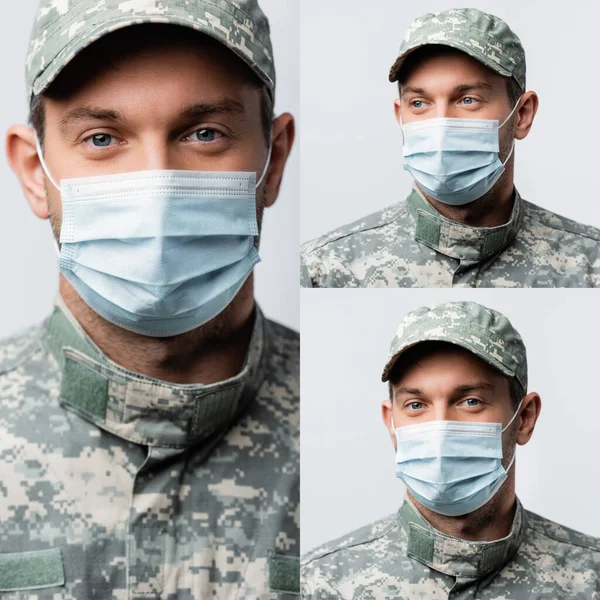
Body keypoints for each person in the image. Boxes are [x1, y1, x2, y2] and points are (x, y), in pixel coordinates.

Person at [0, 0, 299, 597]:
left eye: (205, 133)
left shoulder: (352, 440)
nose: (157, 181)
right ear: (35, 171)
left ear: (273, 160)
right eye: (102, 137)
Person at [301, 301, 600, 598]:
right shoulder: (322, 584)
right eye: (416, 405)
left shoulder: (590, 578)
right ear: (391, 424)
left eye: (471, 401)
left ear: (524, 418)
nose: (440, 428)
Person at [300, 8, 600, 288]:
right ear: (400, 116)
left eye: (468, 99)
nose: (441, 125)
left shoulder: (589, 265)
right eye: (419, 103)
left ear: (522, 115)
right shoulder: (325, 268)